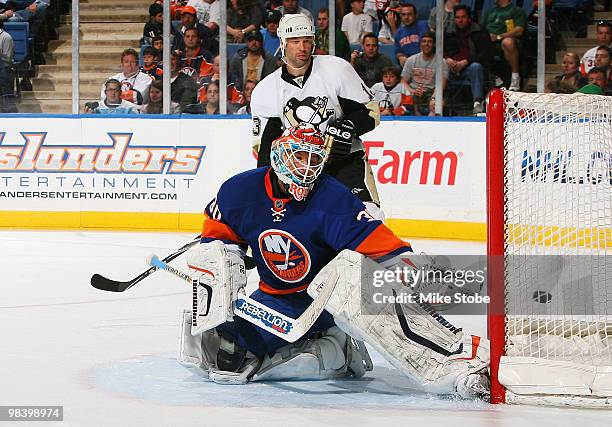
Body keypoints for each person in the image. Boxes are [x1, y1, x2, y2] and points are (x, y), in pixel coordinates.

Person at [178, 123, 490, 398]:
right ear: (278, 154)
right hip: (275, 301)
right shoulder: (239, 191)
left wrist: (418, 274)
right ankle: (329, 348)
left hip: (327, 302)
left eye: (314, 159)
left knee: (353, 279)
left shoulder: (332, 198)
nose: (306, 167)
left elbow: (384, 248)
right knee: (225, 355)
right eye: (299, 156)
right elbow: (217, 238)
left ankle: (448, 361)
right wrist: (225, 264)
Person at [251, 13, 383, 217]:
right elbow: (265, 149)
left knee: (368, 217)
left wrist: (348, 125)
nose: (302, 47)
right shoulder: (265, 90)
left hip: (344, 162)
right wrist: (264, 193)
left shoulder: (336, 69)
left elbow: (370, 112)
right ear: (283, 43)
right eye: (295, 41)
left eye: (307, 41)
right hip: (296, 172)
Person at [444, 4, 493, 115]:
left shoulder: (480, 31)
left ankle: (477, 103)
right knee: (440, 64)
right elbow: (440, 50)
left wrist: (466, 61)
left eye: (463, 17)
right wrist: (447, 59)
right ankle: (438, 103)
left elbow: (486, 53)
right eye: (457, 17)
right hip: (451, 67)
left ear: (469, 18)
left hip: (470, 67)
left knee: (476, 67)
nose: (460, 20)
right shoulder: (448, 32)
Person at [482, 0, 527, 91]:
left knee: (507, 42)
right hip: (488, 42)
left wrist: (499, 36)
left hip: (507, 41)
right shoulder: (490, 12)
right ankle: (493, 75)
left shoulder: (516, 11)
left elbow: (519, 30)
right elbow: (481, 27)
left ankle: (515, 76)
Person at [401, 31, 448, 116]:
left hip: (431, 92)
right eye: (424, 41)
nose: (426, 44)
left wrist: (434, 98)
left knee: (437, 105)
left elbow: (442, 85)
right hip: (413, 92)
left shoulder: (441, 61)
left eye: (429, 42)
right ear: (420, 44)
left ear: (433, 44)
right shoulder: (411, 60)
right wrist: (412, 91)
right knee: (404, 101)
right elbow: (403, 82)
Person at [394, 3, 428, 67]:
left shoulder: (423, 25)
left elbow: (426, 45)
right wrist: (400, 57)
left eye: (409, 14)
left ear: (416, 15)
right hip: (408, 64)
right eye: (403, 15)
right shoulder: (399, 32)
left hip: (424, 62)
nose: (406, 17)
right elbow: (398, 50)